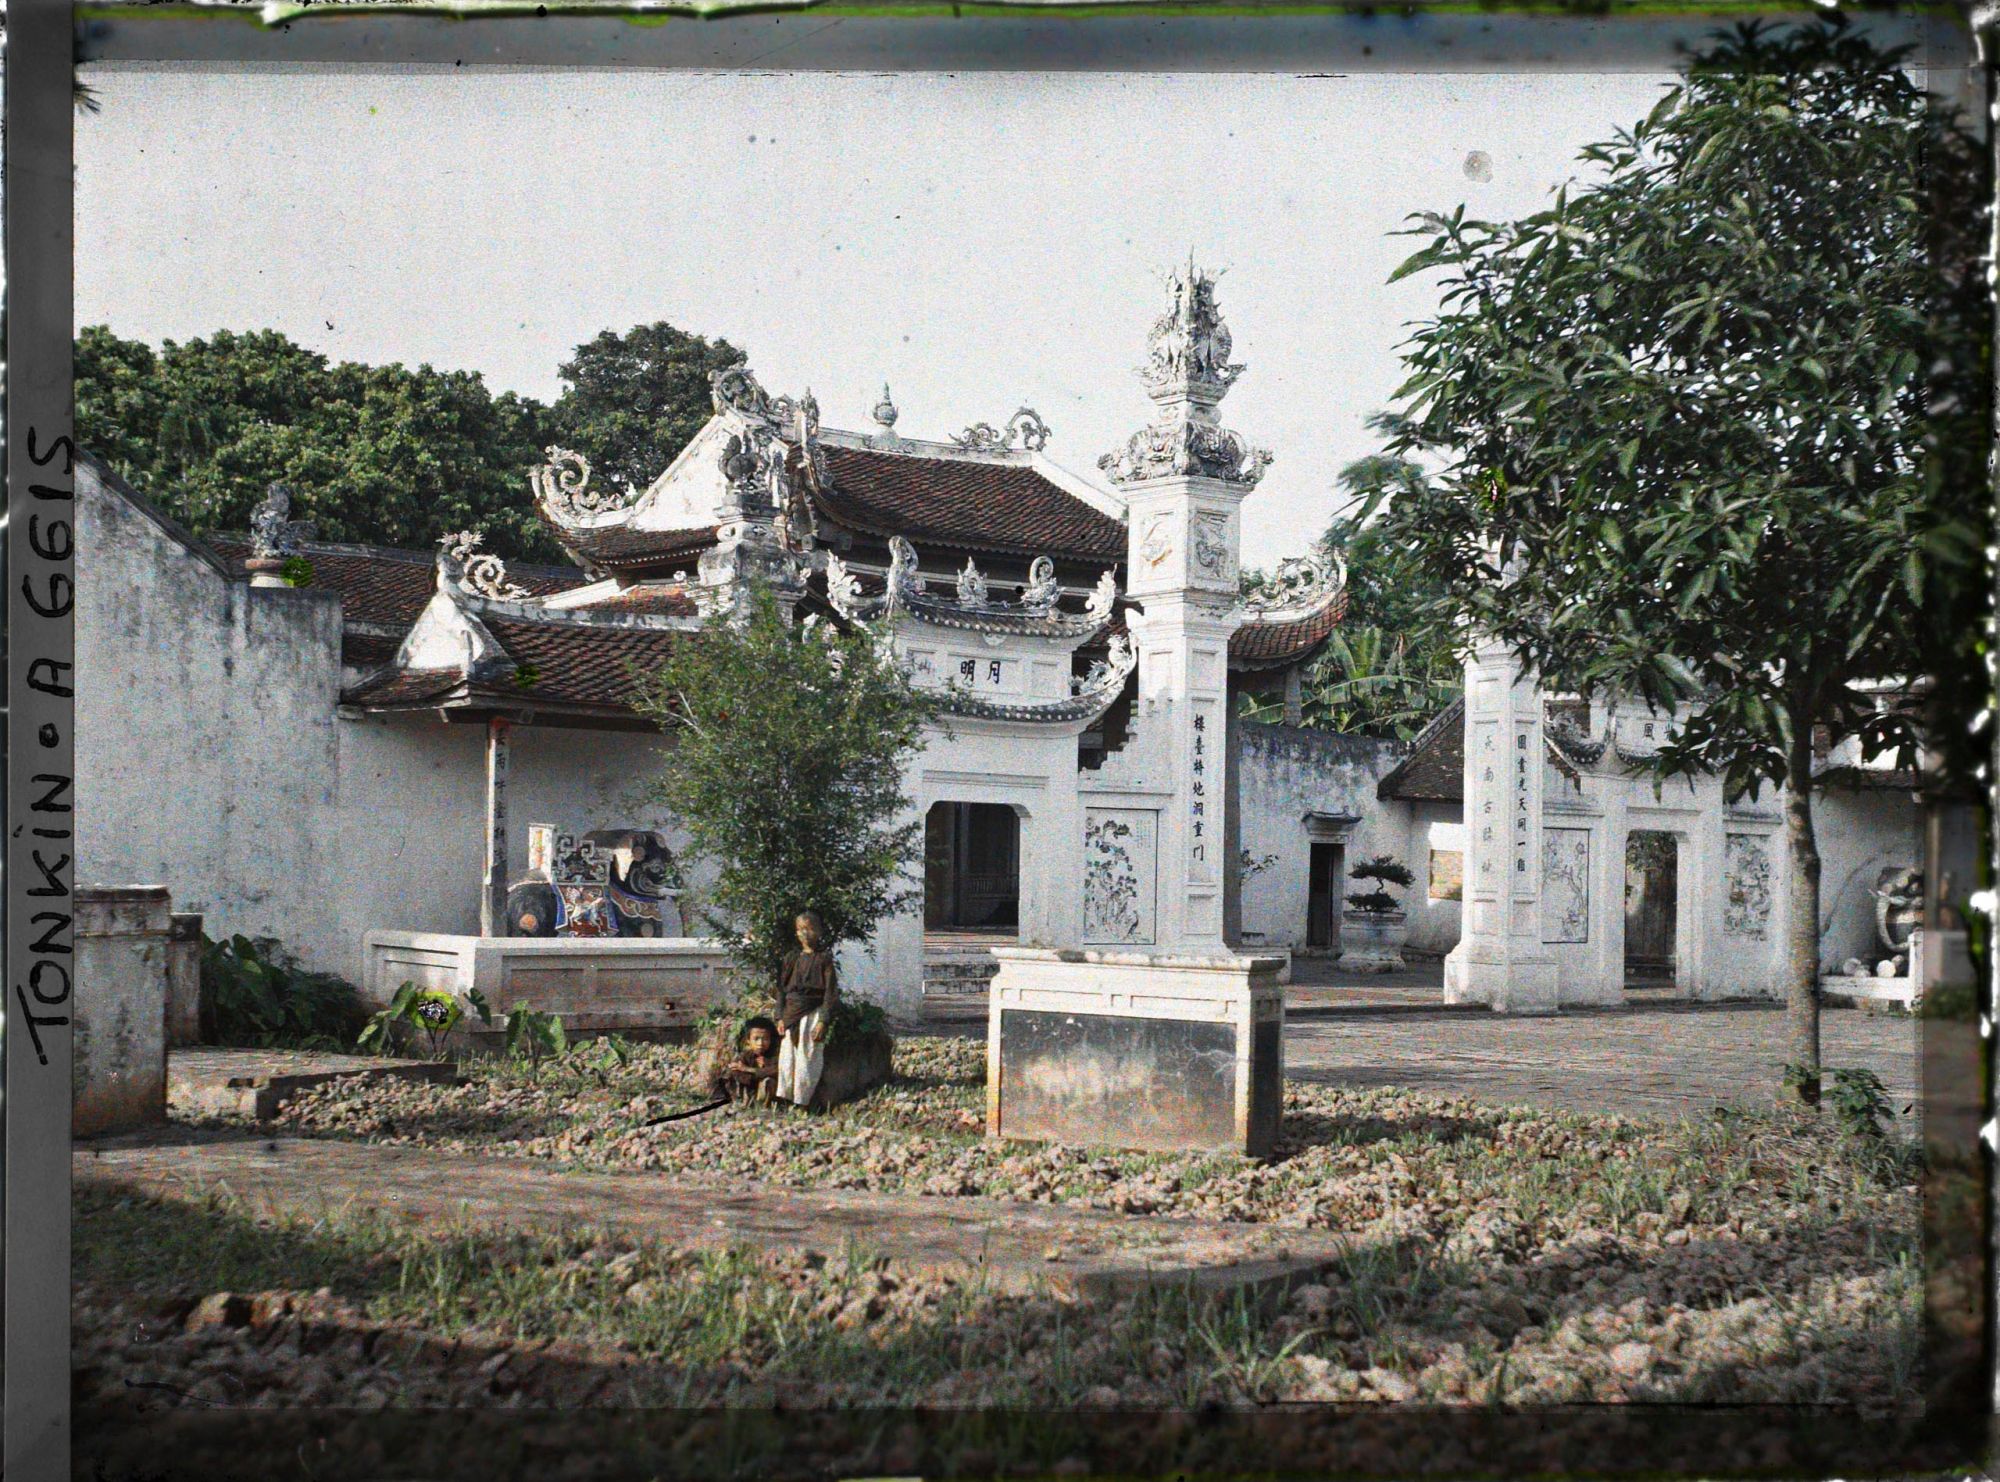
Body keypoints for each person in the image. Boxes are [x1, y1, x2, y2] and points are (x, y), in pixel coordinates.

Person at [775, 910, 837, 1109]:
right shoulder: (791, 958)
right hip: (791, 1012)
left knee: (807, 1056)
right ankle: (785, 1100)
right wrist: (779, 1016)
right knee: (788, 1057)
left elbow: (830, 992)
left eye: (810, 929)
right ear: (796, 933)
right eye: (801, 929)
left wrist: (823, 1021)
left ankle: (803, 1102)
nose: (805, 933)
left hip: (812, 1012)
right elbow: (781, 989)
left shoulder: (824, 959)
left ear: (819, 931)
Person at [723, 1016, 781, 1107]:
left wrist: (748, 1069)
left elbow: (777, 1071)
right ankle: (740, 1100)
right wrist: (758, 1075)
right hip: (751, 1089)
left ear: (771, 1040)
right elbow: (736, 1069)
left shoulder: (775, 1055)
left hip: (769, 1095)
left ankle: (765, 1105)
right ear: (748, 1040)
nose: (760, 1043)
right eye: (756, 1039)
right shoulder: (745, 1055)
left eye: (765, 1039)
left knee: (770, 1081)